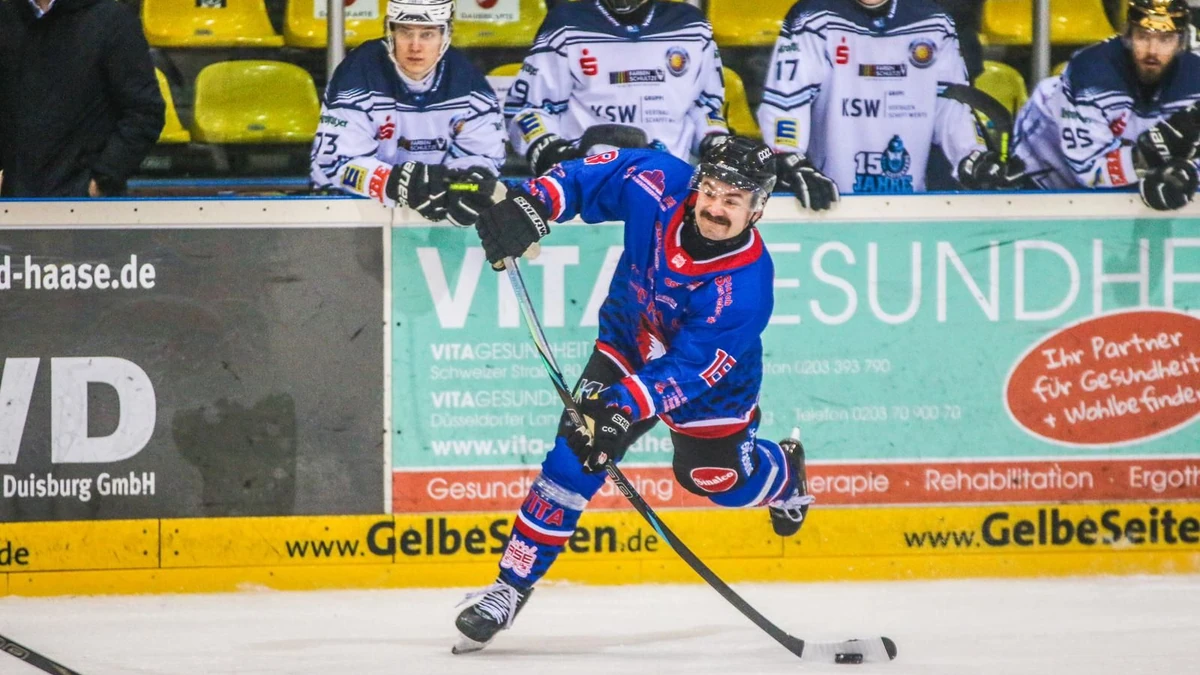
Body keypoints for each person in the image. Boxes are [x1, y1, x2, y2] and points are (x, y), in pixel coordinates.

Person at [451, 136, 815, 653]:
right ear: (697, 184)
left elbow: (688, 369)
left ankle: (783, 475)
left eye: (733, 200)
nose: (715, 208)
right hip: (629, 337)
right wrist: (533, 204)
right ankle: (508, 588)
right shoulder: (658, 180)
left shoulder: (746, 287)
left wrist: (620, 409)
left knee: (717, 481)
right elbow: (586, 175)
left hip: (711, 387)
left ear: (756, 210)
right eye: (711, 191)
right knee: (574, 456)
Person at [756, 0, 1007, 202]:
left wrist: (972, 156)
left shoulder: (934, 21)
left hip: (911, 204)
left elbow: (951, 106)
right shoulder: (811, 17)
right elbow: (787, 99)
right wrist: (790, 158)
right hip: (828, 201)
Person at [310, 0, 505, 227]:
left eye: (427, 34)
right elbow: (337, 165)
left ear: (445, 35)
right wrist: (395, 183)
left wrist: (463, 183)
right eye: (405, 32)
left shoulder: (468, 80)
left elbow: (483, 158)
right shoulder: (357, 73)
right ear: (390, 31)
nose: (415, 46)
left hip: (433, 216)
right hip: (353, 213)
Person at [1009, 0, 1200, 211]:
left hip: (1117, 169)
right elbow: (1090, 173)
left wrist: (1187, 172)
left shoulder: (1195, 76)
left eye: (1165, 39)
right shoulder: (1090, 77)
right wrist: (1148, 158)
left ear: (1181, 42)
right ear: (1128, 36)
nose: (1152, 50)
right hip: (1046, 178)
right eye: (1143, 36)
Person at [503, 0, 729, 177]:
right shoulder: (566, 24)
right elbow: (528, 110)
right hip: (588, 184)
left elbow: (704, 107)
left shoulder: (692, 25)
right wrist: (555, 156)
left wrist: (716, 142)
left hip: (669, 184)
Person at [0, 0, 164, 197]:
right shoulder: (6, 17)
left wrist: (102, 180)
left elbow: (145, 111)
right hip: (11, 201)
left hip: (86, 204)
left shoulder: (112, 20)